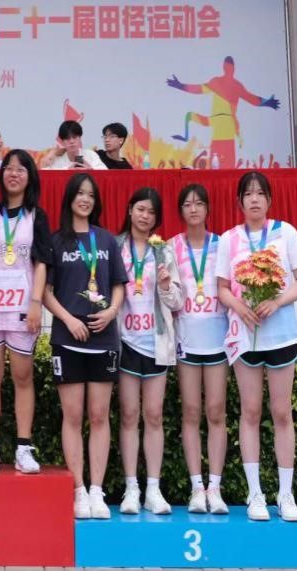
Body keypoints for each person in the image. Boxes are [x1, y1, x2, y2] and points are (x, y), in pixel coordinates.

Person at [215, 172, 297, 522]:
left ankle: (286, 495)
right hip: (245, 336)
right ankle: (255, 494)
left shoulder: (286, 233)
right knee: (251, 412)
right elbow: (222, 288)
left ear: (269, 199)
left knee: (282, 412)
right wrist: (240, 307)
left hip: (281, 334)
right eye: (248, 194)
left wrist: (277, 301)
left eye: (260, 193)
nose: (254, 199)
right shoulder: (229, 239)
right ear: (239, 201)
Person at [42, 173, 125, 519]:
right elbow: (45, 291)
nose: (85, 199)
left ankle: (96, 491)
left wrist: (111, 312)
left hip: (104, 338)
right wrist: (68, 320)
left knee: (99, 415)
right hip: (68, 340)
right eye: (80, 193)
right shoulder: (56, 241)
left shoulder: (106, 239)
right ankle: (78, 490)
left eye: (90, 194)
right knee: (73, 416)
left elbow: (118, 283)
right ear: (70, 198)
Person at [0, 149, 51, 474]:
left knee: (22, 376)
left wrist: (36, 302)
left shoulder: (36, 216)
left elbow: (41, 263)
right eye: (8, 168)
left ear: (30, 177)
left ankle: (23, 448)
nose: (13, 174)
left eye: (21, 169)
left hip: (21, 308)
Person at [116, 187, 182, 515]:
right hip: (125, 342)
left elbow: (178, 302)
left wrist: (167, 286)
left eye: (151, 212)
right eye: (140, 209)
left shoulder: (163, 251)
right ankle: (132, 488)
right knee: (129, 415)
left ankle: (153, 489)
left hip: (155, 343)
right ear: (130, 210)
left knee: (153, 415)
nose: (145, 216)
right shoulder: (115, 246)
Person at [171, 183, 229, 515]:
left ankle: (215, 487)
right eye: (187, 204)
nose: (193, 209)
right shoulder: (171, 246)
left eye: (199, 203)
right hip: (187, 340)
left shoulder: (223, 245)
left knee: (216, 411)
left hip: (218, 340)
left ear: (207, 208)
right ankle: (196, 487)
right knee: (191, 412)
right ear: (181, 211)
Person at [40, 120, 107, 170]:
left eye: (74, 137)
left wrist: (91, 170)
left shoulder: (90, 154)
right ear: (62, 142)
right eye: (68, 138)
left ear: (80, 138)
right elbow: (45, 172)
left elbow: (105, 172)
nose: (72, 141)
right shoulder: (59, 159)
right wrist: (67, 171)